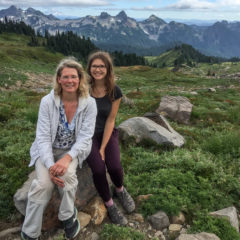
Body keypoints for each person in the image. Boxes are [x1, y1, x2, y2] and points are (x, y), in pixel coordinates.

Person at [21, 57, 97, 240]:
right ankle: (30, 231)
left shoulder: (89, 103)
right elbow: (43, 137)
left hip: (72, 151)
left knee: (68, 176)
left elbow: (86, 137)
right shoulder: (47, 101)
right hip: (46, 150)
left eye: (74, 77)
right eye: (65, 77)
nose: (70, 81)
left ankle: (67, 216)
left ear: (80, 79)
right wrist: (50, 166)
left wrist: (66, 159)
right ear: (59, 79)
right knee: (43, 184)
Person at [86, 51, 135, 226]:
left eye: (101, 66)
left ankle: (120, 189)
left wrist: (102, 148)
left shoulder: (115, 91)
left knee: (114, 166)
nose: (98, 69)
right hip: (87, 135)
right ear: (89, 68)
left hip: (107, 132)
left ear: (108, 69)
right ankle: (109, 203)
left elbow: (111, 119)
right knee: (99, 169)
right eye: (94, 66)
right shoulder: (83, 89)